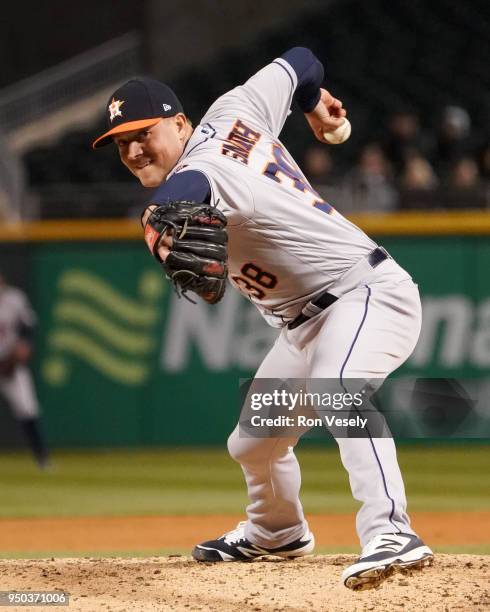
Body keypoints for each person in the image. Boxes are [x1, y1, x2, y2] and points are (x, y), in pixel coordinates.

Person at [93, 47, 433, 589]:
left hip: (365, 295)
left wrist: (157, 218)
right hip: (303, 326)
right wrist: (316, 103)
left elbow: (190, 189)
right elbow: (302, 60)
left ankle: (392, 532)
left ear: (180, 124)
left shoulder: (204, 168)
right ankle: (276, 530)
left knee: (339, 388)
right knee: (254, 443)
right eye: (121, 143)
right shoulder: (236, 108)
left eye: (143, 133)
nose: (133, 150)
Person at [0, 273, 49, 469]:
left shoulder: (15, 299)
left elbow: (28, 325)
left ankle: (42, 458)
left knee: (28, 409)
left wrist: (24, 345)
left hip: (11, 366)